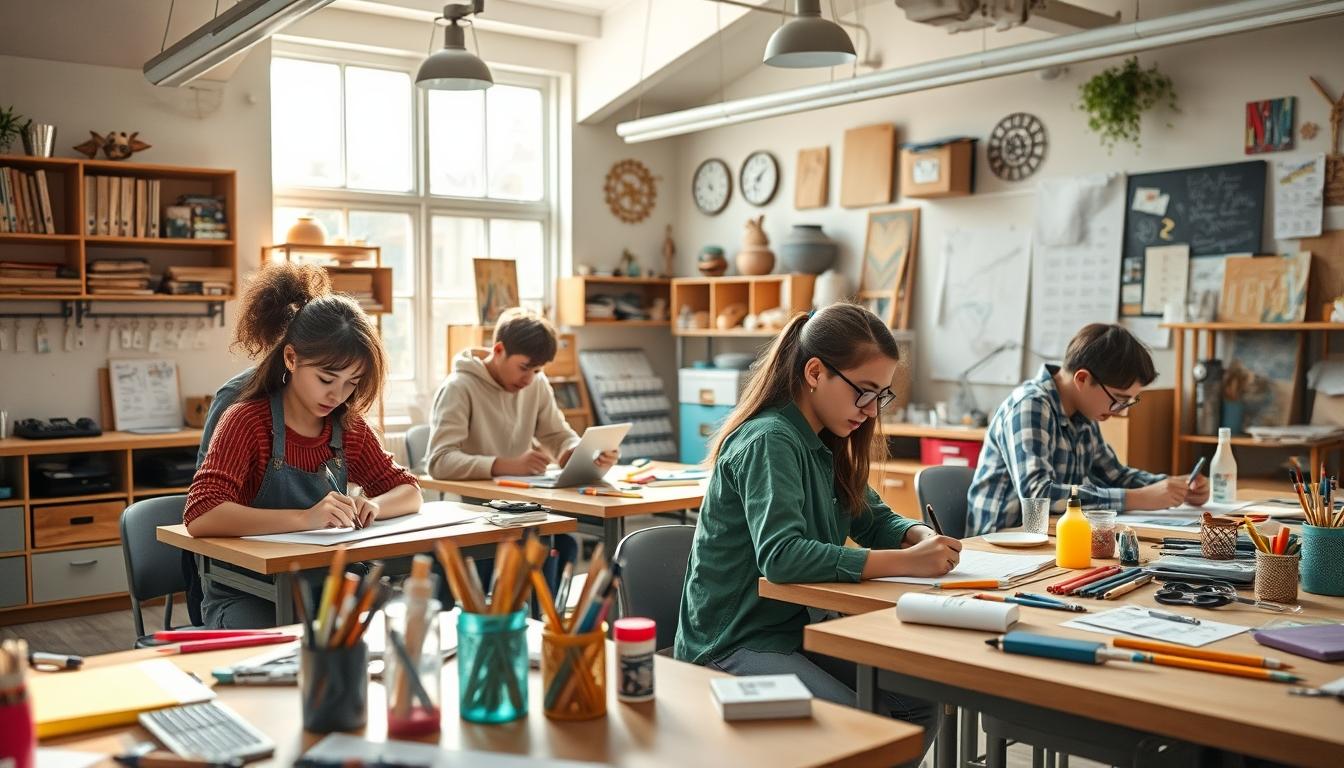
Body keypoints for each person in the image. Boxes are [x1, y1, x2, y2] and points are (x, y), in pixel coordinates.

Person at [674, 303, 958, 752]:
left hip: (798, 631)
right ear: (814, 372)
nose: (870, 410)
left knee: (918, 700)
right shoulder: (771, 439)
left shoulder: (824, 441)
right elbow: (782, 557)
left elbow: (875, 517)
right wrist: (904, 562)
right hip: (734, 644)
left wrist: (917, 535)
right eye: (864, 391)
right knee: (864, 732)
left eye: (881, 396)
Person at [186, 263, 422, 628]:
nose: (337, 394)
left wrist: (371, 504)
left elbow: (409, 491)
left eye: (351, 383)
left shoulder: (348, 427)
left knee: (403, 625)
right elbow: (201, 514)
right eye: (327, 378)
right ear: (291, 358)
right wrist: (306, 518)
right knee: (283, 651)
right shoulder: (247, 420)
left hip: (325, 585)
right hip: (249, 589)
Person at [966, 323, 1210, 536]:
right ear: (1082, 379)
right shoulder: (1030, 406)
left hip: (1052, 539)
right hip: (1002, 544)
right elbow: (1038, 496)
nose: (1121, 411)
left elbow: (1115, 475)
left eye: (1128, 402)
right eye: (1117, 399)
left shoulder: (1084, 413)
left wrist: (1174, 487)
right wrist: (1138, 498)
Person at [425, 308, 616, 480]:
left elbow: (556, 435)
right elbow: (439, 462)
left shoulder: (537, 383)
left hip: (521, 501)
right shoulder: (458, 387)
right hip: (470, 505)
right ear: (499, 350)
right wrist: (505, 465)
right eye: (524, 367)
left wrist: (579, 452)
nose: (529, 379)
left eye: (536, 371)